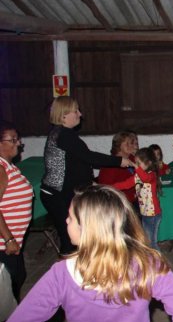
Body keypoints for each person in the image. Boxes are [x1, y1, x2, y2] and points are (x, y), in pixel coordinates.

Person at [0, 185, 173, 322]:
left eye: (71, 217)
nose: (66, 221)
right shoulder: (147, 264)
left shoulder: (62, 274)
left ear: (88, 228)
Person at [41, 97, 133, 255]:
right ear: (63, 115)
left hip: (62, 193)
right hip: (58, 195)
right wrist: (119, 161)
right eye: (75, 111)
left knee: (77, 236)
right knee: (70, 239)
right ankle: (67, 268)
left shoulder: (62, 133)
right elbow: (88, 157)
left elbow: (75, 164)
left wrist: (90, 183)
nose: (80, 114)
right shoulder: (63, 135)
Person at [0, 121, 33, 300]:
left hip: (12, 241)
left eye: (17, 139)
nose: (18, 143)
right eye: (13, 140)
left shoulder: (9, 166)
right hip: (3, 244)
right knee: (9, 285)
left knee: (17, 278)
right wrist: (9, 239)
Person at [112, 148, 163, 250]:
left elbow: (145, 178)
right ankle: (152, 258)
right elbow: (125, 184)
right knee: (147, 241)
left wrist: (136, 167)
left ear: (148, 163)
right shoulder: (138, 176)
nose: (136, 165)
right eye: (136, 163)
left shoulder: (151, 175)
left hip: (153, 214)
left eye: (139, 163)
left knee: (151, 243)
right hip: (145, 213)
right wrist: (110, 187)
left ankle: (157, 259)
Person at [97, 130, 139, 204]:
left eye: (132, 143)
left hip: (136, 200)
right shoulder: (110, 164)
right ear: (118, 145)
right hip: (120, 203)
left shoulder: (133, 158)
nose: (132, 146)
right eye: (127, 143)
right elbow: (106, 190)